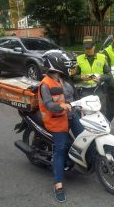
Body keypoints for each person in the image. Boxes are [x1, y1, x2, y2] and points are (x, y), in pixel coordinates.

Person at [38, 50, 84, 202]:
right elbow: (49, 105)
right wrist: (62, 106)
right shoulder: (45, 84)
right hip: (56, 119)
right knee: (61, 149)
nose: (68, 66)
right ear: (55, 64)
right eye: (64, 63)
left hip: (71, 116)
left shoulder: (65, 79)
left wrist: (82, 106)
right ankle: (58, 184)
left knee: (84, 137)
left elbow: (75, 96)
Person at [73, 36, 112, 114]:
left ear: (94, 46)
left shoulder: (102, 58)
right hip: (85, 91)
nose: (88, 50)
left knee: (101, 113)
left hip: (99, 90)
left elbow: (108, 75)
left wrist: (100, 78)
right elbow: (73, 77)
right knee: (87, 114)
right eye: (86, 48)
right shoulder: (78, 59)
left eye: (90, 48)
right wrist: (81, 77)